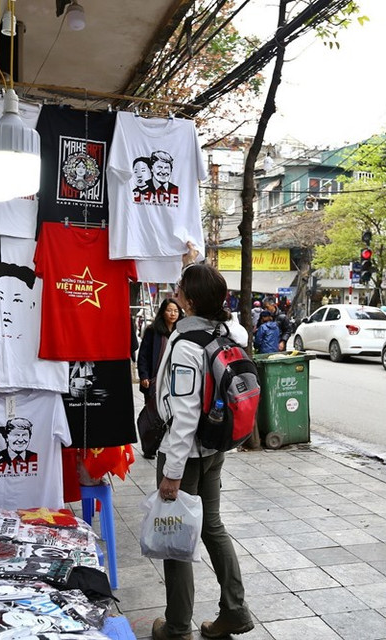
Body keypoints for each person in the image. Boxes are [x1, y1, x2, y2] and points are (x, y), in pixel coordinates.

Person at [153, 262, 253, 640]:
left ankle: (177, 625)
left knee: (175, 533)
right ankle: (235, 611)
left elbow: (183, 414)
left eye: (181, 288)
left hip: (187, 454)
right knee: (212, 527)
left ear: (191, 300)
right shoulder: (226, 332)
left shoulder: (186, 346)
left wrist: (172, 472)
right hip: (215, 447)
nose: (175, 291)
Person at [137, 299, 183, 458]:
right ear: (163, 311)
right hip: (154, 380)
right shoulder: (152, 331)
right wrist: (144, 375)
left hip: (175, 381)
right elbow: (143, 355)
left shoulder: (181, 332)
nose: (173, 314)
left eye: (176, 311)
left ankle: (167, 444)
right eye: (170, 310)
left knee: (173, 414)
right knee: (153, 416)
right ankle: (149, 447)